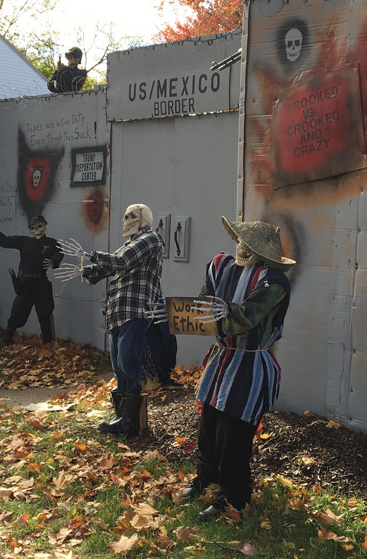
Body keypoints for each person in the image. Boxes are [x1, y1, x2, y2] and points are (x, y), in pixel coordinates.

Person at [177, 217, 294, 522]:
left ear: (260, 251)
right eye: (240, 240)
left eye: (248, 243)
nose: (241, 246)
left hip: (250, 364)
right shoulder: (222, 267)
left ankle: (235, 498)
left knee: (234, 435)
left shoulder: (275, 282)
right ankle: (206, 480)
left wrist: (208, 313)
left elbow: (245, 317)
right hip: (221, 359)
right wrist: (192, 312)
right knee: (210, 426)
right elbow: (204, 301)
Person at [59, 204, 164, 436]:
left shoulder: (151, 239)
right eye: (125, 216)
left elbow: (122, 261)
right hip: (118, 311)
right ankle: (121, 418)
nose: (126, 220)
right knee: (118, 366)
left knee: (127, 362)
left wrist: (93, 256)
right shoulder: (129, 244)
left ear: (144, 219)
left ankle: (131, 422)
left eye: (131, 216)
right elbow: (111, 266)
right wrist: (89, 271)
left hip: (135, 310)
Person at [0, 216, 63, 346]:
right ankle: (6, 340)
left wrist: (54, 261)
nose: (37, 230)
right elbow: (6, 241)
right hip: (25, 285)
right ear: (30, 230)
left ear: (45, 225)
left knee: (45, 314)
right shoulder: (25, 241)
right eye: (33, 228)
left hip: (41, 284)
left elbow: (59, 252)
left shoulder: (52, 243)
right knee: (16, 314)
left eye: (39, 226)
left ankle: (48, 342)